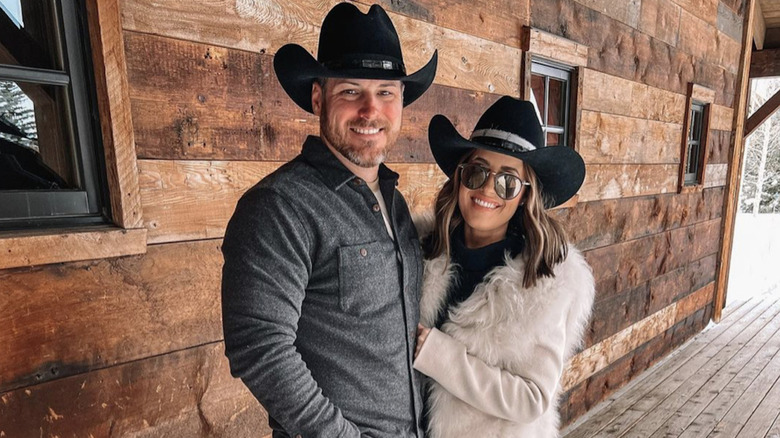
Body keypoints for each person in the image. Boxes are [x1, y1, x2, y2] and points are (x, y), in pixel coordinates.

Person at [220, 3, 437, 438]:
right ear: (318, 97)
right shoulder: (279, 206)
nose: (371, 110)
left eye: (386, 92)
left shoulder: (395, 204)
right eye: (351, 91)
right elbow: (259, 346)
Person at [412, 96, 595, 437]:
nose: (486, 189)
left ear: (525, 194)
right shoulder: (422, 250)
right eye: (478, 171)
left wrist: (438, 354)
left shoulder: (544, 282)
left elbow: (532, 398)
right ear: (461, 176)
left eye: (507, 182)